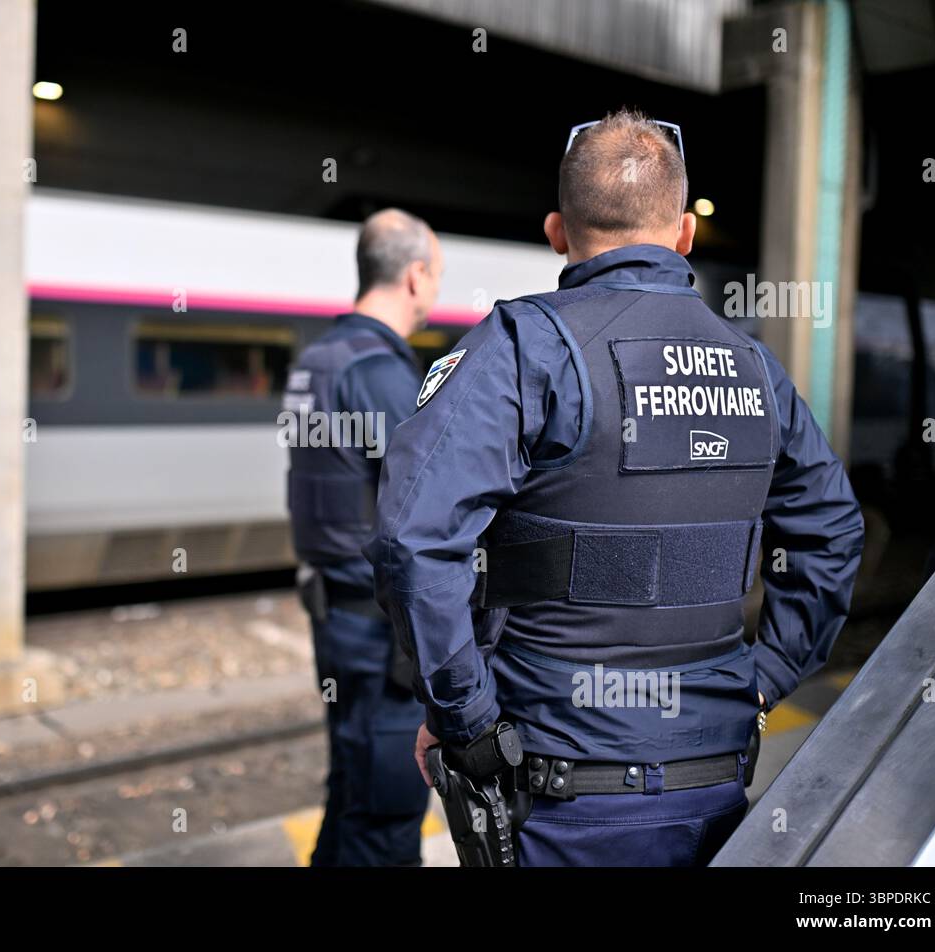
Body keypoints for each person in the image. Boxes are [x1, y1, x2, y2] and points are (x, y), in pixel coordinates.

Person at [364, 111, 865, 866]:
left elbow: (413, 539)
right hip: (717, 789)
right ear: (685, 234)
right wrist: (758, 680)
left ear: (558, 231)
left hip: (564, 799)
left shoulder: (524, 348)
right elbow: (833, 532)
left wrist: (465, 718)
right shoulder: (756, 369)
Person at [284, 208, 444, 866]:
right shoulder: (381, 374)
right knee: (384, 812)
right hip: (382, 643)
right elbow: (425, 511)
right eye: (437, 276)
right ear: (414, 276)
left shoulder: (318, 359)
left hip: (336, 622)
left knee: (351, 796)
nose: (436, 290)